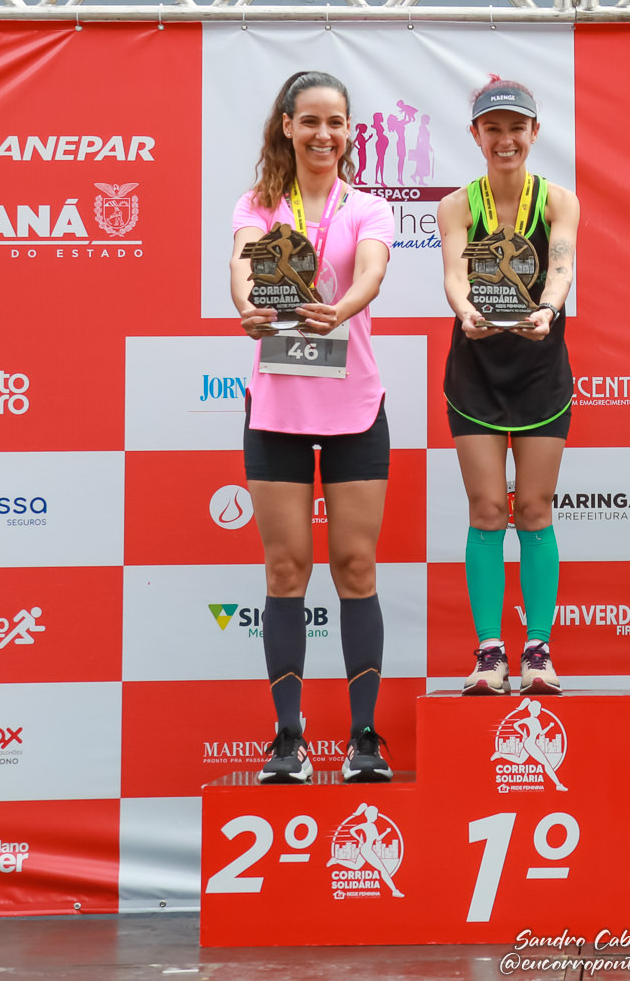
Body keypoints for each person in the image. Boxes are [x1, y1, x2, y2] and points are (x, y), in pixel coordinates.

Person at [229, 70, 394, 785]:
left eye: (337, 122)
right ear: (287, 127)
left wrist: (343, 308)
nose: (325, 134)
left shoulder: (370, 207)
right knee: (286, 568)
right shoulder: (258, 204)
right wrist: (248, 308)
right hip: (278, 408)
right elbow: (243, 268)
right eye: (312, 121)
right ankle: (288, 739)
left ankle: (364, 738)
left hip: (354, 405)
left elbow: (372, 272)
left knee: (355, 566)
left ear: (349, 131)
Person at [437, 76, 579, 697]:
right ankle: (490, 654)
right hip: (476, 371)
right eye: (492, 129)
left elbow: (562, 264)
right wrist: (467, 311)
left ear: (534, 133)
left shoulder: (558, 200)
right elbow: (454, 273)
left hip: (540, 368)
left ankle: (538, 652)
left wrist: (547, 309)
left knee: (535, 509)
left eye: (516, 128)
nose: (505, 140)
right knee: (488, 510)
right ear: (476, 135)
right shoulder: (456, 205)